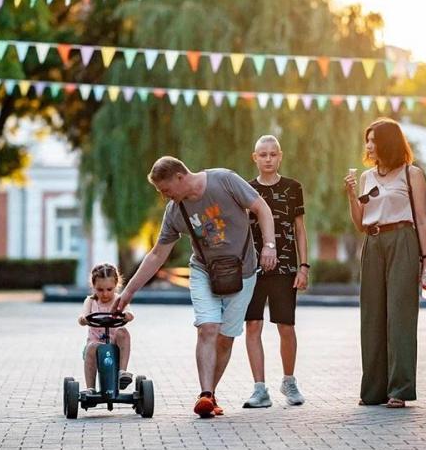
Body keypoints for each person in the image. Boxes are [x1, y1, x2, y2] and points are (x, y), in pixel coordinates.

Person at [113, 157, 277, 418]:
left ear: (180, 177)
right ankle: (206, 395)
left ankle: (211, 394)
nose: (164, 196)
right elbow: (157, 254)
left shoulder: (224, 180)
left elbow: (262, 207)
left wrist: (269, 245)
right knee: (208, 327)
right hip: (204, 271)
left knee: (226, 338)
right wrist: (129, 291)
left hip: (243, 272)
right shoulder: (175, 210)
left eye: (165, 189)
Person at [344, 118, 426, 408]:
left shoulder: (412, 174)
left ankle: (400, 389)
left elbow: (421, 218)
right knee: (371, 317)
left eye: (373, 140)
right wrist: (350, 194)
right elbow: (360, 223)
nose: (368, 146)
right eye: (366, 140)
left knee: (400, 315)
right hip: (372, 243)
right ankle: (373, 390)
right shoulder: (367, 177)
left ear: (388, 142)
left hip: (403, 240)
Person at [243, 135, 308, 409]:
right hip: (252, 269)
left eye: (272, 154)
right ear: (255, 158)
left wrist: (304, 267)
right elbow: (240, 231)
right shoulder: (245, 189)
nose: (268, 159)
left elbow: (299, 230)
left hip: (285, 267)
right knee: (253, 325)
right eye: (263, 154)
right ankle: (260, 389)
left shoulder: (293, 188)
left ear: (280, 156)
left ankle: (289, 381)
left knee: (286, 326)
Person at [78, 263, 134, 391]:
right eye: (100, 290)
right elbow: (83, 317)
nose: (104, 294)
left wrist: (126, 315)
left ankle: (122, 372)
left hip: (115, 343)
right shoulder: (90, 301)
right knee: (91, 348)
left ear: (115, 286)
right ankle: (90, 388)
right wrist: (83, 319)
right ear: (93, 287)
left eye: (109, 289)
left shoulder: (119, 300)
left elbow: (130, 314)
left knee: (123, 332)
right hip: (95, 343)